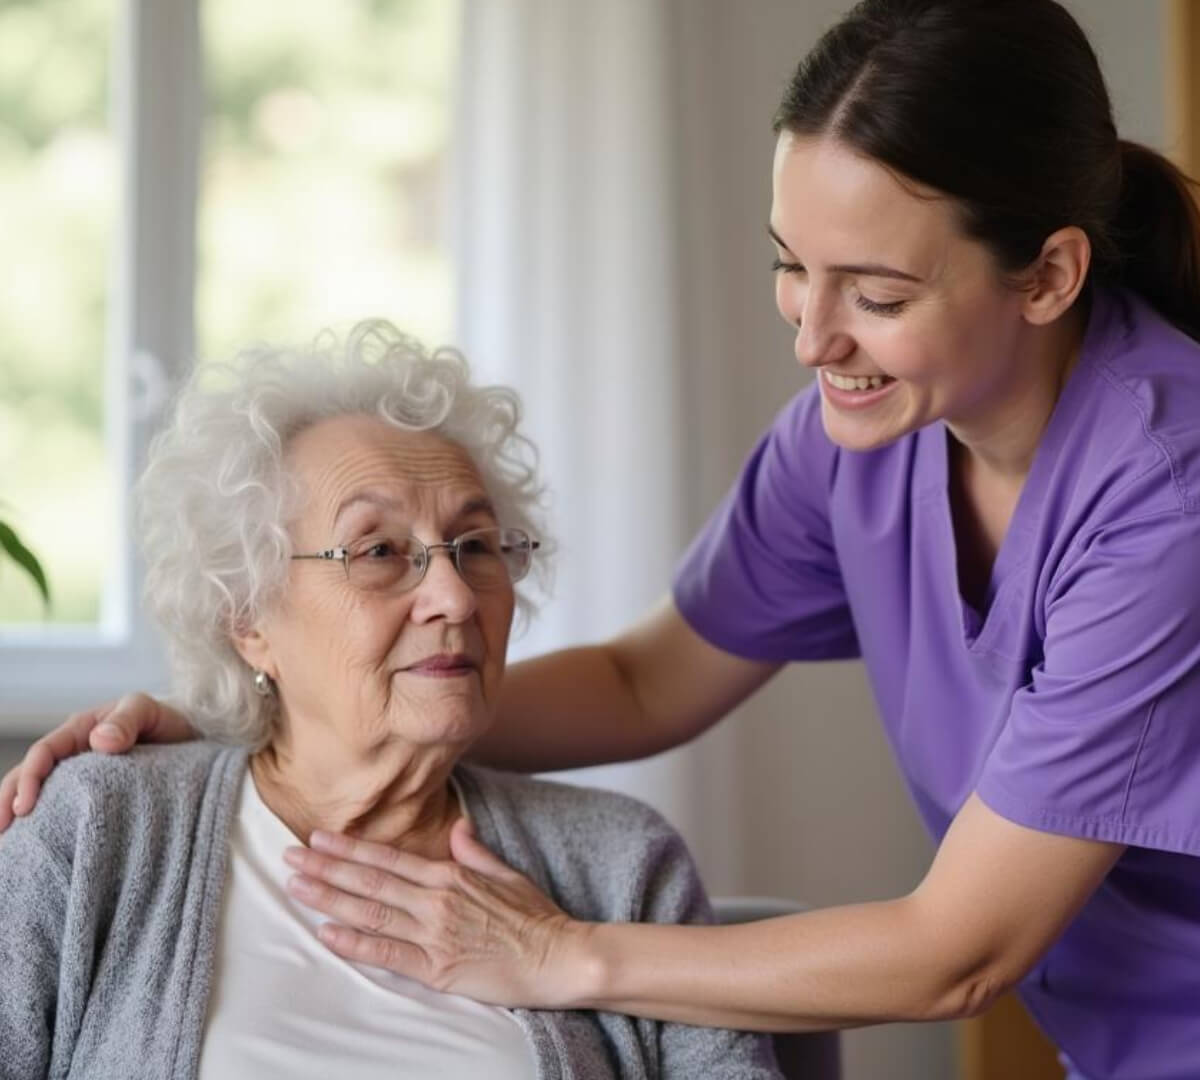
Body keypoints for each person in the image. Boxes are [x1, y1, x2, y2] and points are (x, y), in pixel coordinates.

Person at [5, 0, 1200, 1076]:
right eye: (793, 269)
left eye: (877, 297)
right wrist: (271, 714)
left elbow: (958, 953)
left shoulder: (1166, 497)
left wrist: (562, 958)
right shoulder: (852, 447)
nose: (814, 339)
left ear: (1048, 276)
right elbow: (645, 679)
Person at [0, 324, 782, 1079]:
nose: (452, 596)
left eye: (475, 547)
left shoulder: (621, 866)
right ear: (247, 621)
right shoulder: (100, 826)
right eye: (378, 552)